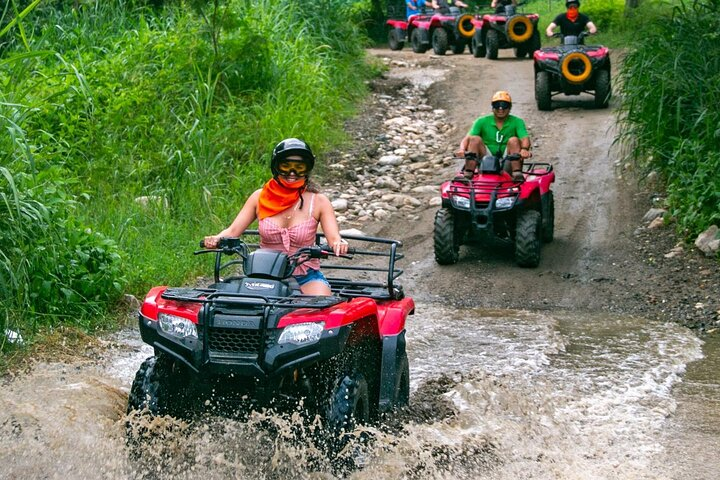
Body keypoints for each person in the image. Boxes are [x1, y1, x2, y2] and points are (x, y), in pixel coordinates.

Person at [203, 138, 348, 296]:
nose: (292, 173)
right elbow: (233, 231)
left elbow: (334, 238)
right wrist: (216, 238)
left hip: (306, 276)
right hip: (264, 275)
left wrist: (338, 244)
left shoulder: (319, 201)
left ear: (307, 169)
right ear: (276, 166)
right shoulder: (259, 197)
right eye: (286, 166)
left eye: (299, 167)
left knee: (320, 306)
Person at [455, 91, 532, 181]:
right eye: (497, 105)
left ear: (509, 107)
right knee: (474, 139)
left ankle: (516, 174)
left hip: (508, 160)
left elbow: (524, 138)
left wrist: (524, 150)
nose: (500, 109)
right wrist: (462, 150)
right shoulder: (481, 121)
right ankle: (468, 174)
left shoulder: (517, 121)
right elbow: (467, 138)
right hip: (485, 161)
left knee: (514, 140)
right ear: (492, 107)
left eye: (504, 105)